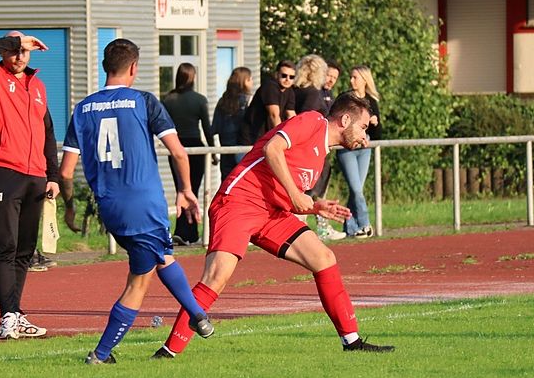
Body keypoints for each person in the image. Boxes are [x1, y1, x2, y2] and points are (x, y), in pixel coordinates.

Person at [153, 93, 395, 359]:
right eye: (363, 127)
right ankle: (168, 352)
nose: (364, 136)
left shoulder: (321, 154)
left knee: (324, 258)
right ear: (345, 120)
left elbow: (287, 194)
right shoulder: (312, 121)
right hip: (239, 202)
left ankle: (351, 341)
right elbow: (272, 149)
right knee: (217, 277)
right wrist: (295, 194)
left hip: (270, 213)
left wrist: (315, 207)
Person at [59, 38, 213, 365]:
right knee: (139, 282)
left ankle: (198, 315)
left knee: (161, 256)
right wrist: (185, 190)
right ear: (133, 68)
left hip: (110, 207)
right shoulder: (144, 101)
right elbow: (178, 152)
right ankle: (101, 354)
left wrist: (70, 207)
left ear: (105, 67)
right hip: (144, 202)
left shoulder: (82, 109)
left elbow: (66, 171)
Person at [0, 31, 60, 340]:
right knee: (5, 246)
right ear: (4, 51)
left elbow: (48, 131)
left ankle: (16, 314)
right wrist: (16, 41)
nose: (19, 56)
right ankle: (7, 315)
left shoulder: (38, 86)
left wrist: (53, 175)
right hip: (4, 170)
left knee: (25, 250)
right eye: (14, 50)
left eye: (24, 51)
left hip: (36, 175)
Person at [162, 62, 213, 246]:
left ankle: (182, 232)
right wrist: (213, 151)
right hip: (196, 148)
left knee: (181, 189)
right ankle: (189, 233)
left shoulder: (168, 100)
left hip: (175, 147)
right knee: (193, 190)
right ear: (193, 78)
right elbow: (207, 128)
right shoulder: (200, 100)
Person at [336, 65, 382, 238]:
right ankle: (365, 224)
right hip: (347, 149)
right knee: (356, 189)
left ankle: (350, 228)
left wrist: (375, 123)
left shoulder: (371, 101)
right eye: (351, 77)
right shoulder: (345, 98)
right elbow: (338, 123)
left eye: (355, 77)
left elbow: (378, 134)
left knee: (356, 190)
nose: (351, 80)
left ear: (365, 79)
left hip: (364, 149)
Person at [307, 59, 346, 241]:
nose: (330, 79)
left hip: (324, 151)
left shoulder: (330, 95)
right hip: (310, 150)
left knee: (321, 191)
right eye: (328, 75)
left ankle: (322, 228)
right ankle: (300, 229)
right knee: (307, 192)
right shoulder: (313, 93)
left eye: (334, 77)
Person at [241, 60, 296, 144]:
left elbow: (291, 115)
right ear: (276, 74)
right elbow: (274, 115)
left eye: (291, 77)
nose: (287, 79)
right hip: (252, 137)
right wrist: (282, 138)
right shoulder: (270, 86)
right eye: (284, 76)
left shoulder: (289, 91)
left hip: (266, 138)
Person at [212, 67, 253, 180]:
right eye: (250, 79)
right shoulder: (248, 101)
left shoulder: (223, 101)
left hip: (225, 149)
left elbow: (215, 128)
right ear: (245, 81)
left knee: (227, 182)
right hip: (244, 149)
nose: (252, 83)